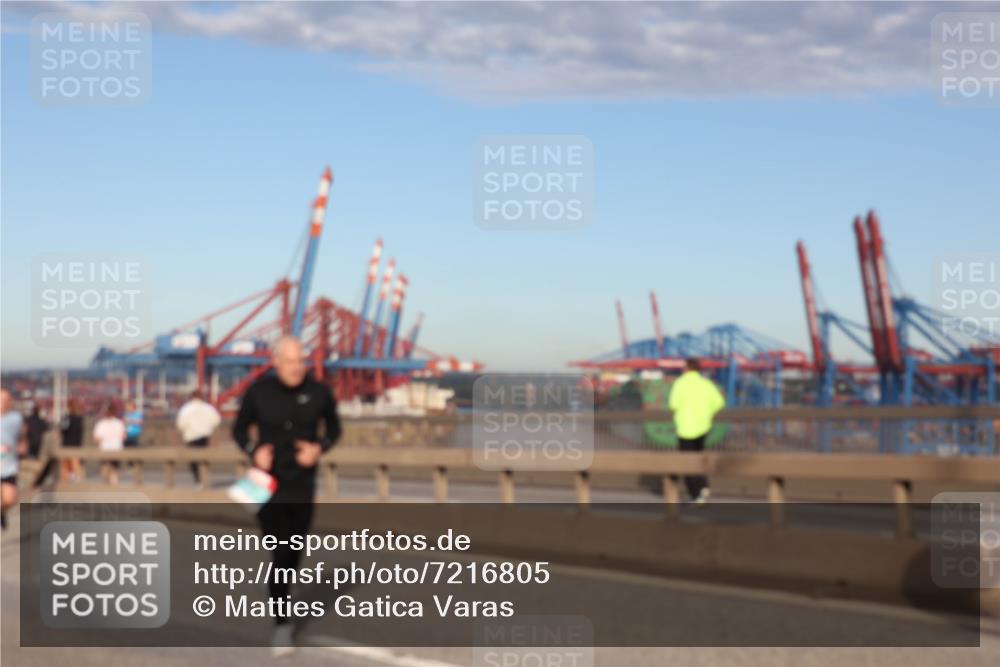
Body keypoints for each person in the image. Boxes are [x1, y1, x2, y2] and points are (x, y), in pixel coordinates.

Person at [232, 336, 341, 657]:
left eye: (300, 361)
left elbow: (335, 428)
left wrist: (319, 448)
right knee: (281, 550)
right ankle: (282, 624)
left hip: (303, 485)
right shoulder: (259, 392)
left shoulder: (319, 392)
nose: (296, 367)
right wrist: (254, 450)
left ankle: (279, 590)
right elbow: (239, 429)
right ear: (276, 362)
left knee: (294, 552)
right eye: (290, 361)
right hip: (267, 485)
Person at [668, 358, 726, 503]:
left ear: (686, 368)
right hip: (703, 427)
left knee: (687, 462)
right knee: (699, 458)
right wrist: (706, 412)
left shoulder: (680, 383)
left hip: (685, 428)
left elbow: (673, 404)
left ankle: (696, 492)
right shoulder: (706, 383)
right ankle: (702, 487)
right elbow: (719, 403)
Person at [175, 390, 221, 484]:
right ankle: (204, 477)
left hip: (191, 437)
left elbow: (180, 424)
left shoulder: (186, 409)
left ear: (191, 397)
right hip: (205, 436)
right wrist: (209, 427)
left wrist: (186, 430)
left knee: (193, 460)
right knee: (204, 458)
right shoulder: (208, 408)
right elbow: (217, 420)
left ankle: (198, 479)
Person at [1, 389, 26, 531]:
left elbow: (22, 435)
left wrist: (22, 445)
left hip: (8, 465)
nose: (5, 402)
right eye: (2, 399)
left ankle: (1, 512)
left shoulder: (15, 419)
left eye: (7, 399)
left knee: (10, 499)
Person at [93, 403, 126, 485]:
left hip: (105, 449)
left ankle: (107, 487)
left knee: (105, 470)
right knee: (114, 471)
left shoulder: (101, 423)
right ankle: (114, 487)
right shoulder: (119, 423)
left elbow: (96, 439)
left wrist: (105, 439)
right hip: (116, 449)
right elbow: (123, 437)